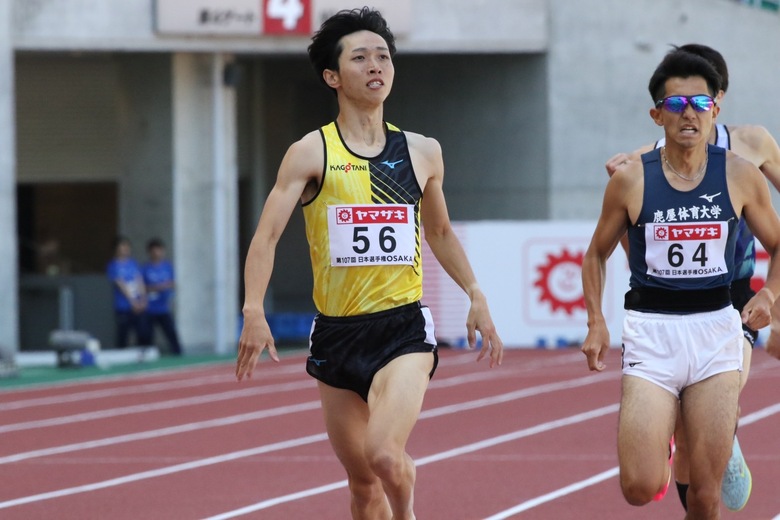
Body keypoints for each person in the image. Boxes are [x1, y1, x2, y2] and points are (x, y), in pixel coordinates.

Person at [235, 7, 503, 519]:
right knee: (362, 484)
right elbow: (267, 236)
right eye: (360, 58)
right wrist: (253, 308)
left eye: (383, 56)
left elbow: (440, 232)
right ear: (332, 76)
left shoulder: (422, 152)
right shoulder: (310, 152)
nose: (376, 65)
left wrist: (475, 293)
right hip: (336, 332)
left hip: (402, 327)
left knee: (384, 454)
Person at [582, 49, 780, 518]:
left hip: (717, 329)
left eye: (699, 104)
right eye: (675, 105)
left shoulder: (740, 173)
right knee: (639, 485)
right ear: (657, 115)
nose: (688, 113)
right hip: (653, 333)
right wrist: (595, 321)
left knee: (708, 495)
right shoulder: (631, 179)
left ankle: (698, 443)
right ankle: (664, 446)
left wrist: (770, 293)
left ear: (716, 109)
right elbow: (595, 253)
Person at [141, 238, 183, 355]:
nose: (156, 253)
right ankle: (146, 355)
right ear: (149, 252)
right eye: (154, 251)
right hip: (150, 307)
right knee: (147, 334)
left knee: (170, 332)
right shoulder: (145, 268)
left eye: (159, 250)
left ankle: (178, 353)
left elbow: (172, 284)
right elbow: (142, 287)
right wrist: (159, 287)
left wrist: (161, 287)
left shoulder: (167, 267)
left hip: (163, 307)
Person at [106, 236, 149, 348]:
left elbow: (139, 281)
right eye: (122, 246)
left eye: (127, 246)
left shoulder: (133, 263)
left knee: (143, 332)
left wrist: (143, 300)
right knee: (123, 334)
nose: (125, 249)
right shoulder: (113, 266)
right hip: (124, 307)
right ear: (116, 248)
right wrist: (133, 302)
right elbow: (121, 285)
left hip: (139, 305)